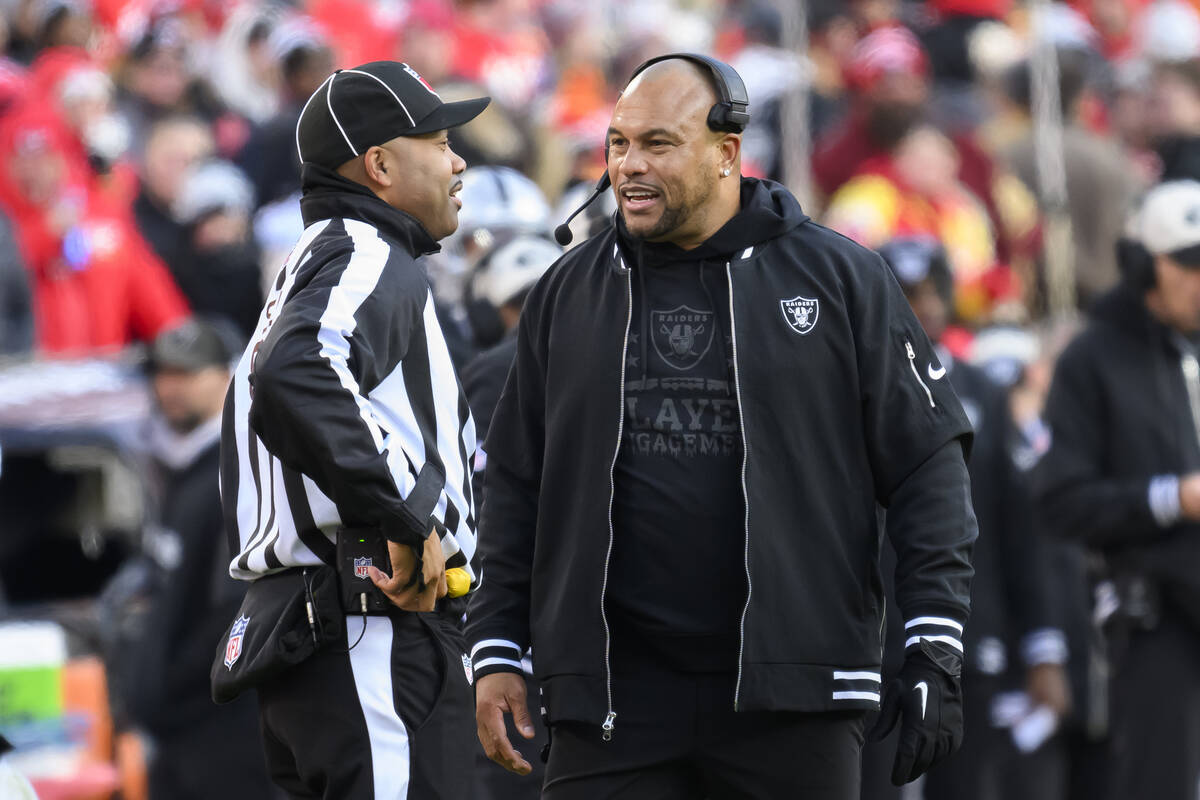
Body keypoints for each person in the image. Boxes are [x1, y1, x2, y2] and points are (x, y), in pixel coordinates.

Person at [467, 54, 977, 799]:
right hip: (613, 698)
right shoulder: (567, 292)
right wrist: (497, 645)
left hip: (794, 694)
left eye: (657, 144)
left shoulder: (842, 279)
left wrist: (935, 642)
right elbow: (515, 480)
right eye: (618, 144)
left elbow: (928, 465)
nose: (628, 166)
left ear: (726, 154)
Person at [218, 61, 489, 798]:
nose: (458, 159)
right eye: (437, 139)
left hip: (324, 634)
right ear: (380, 165)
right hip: (373, 628)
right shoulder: (366, 250)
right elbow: (297, 372)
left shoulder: (318, 260)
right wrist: (397, 515)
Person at [862, 237, 1070, 800]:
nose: (921, 306)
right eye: (906, 293)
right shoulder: (844, 389)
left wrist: (1043, 646)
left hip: (971, 636)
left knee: (970, 785)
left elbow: (1015, 528)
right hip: (871, 639)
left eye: (931, 292)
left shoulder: (981, 391)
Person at [1032, 179, 1200, 800]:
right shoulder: (1092, 359)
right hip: (1153, 617)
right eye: (1189, 265)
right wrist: (1173, 498)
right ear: (1141, 265)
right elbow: (1062, 500)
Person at [123, 318, 278, 800]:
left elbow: (236, 610)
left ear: (226, 376)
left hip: (225, 736)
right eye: (162, 373)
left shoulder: (241, 465)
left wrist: (171, 690)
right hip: (179, 735)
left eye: (186, 373)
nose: (169, 387)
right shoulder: (182, 464)